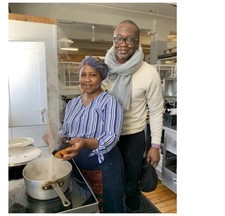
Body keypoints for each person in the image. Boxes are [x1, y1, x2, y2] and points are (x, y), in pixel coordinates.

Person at [103, 20, 164, 212]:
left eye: (130, 39)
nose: (123, 44)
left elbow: (155, 111)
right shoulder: (103, 68)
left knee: (131, 182)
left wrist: (155, 146)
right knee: (108, 179)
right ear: (113, 40)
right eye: (119, 39)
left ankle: (133, 210)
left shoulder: (149, 73)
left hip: (133, 137)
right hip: (105, 135)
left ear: (137, 42)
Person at [59, 56, 126, 213]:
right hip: (76, 165)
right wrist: (55, 137)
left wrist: (85, 143)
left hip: (104, 165)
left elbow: (111, 136)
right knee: (85, 204)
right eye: (83, 75)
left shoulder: (109, 102)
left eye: (92, 75)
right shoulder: (73, 104)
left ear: (101, 77)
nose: (87, 80)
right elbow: (66, 132)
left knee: (111, 206)